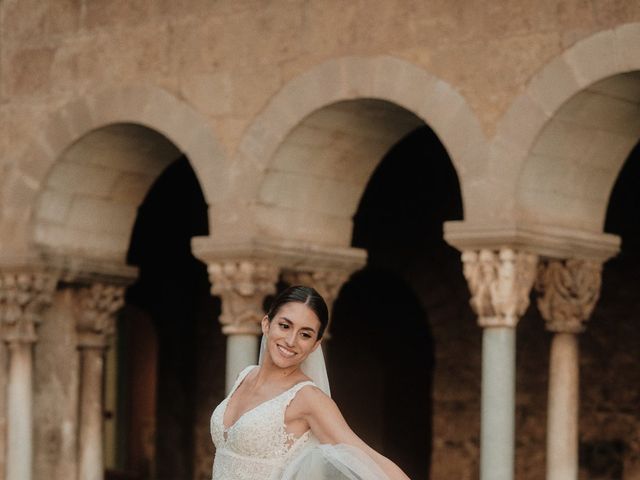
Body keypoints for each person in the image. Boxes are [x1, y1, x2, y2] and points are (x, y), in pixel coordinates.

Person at [210, 285, 412, 480]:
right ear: (266, 324)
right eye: (285, 326)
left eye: (305, 334)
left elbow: (365, 456)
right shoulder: (245, 375)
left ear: (316, 344)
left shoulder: (308, 398)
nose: (291, 340)